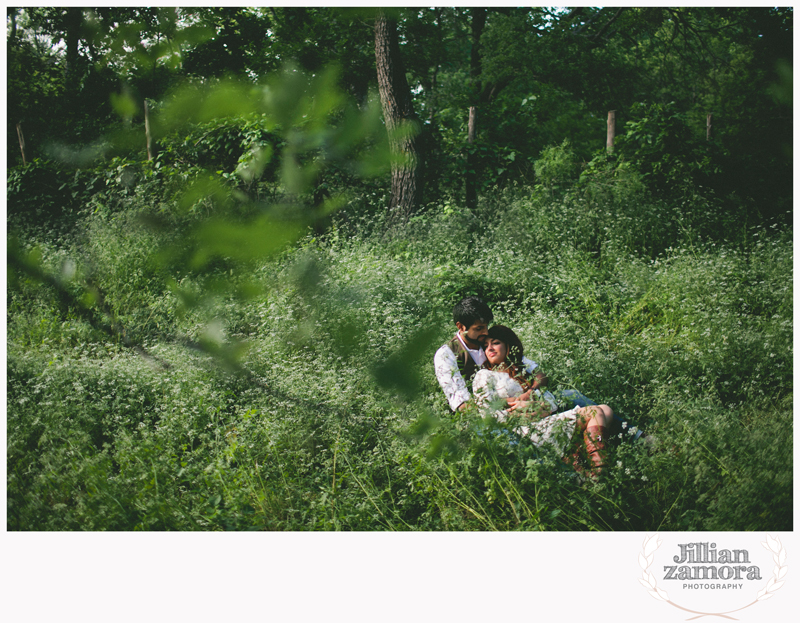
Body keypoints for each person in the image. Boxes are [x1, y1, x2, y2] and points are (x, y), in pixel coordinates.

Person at [473, 325, 615, 477]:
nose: (490, 348)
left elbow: (550, 399)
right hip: (523, 431)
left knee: (606, 410)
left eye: (495, 343)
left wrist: (537, 405)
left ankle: (580, 465)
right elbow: (486, 413)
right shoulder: (484, 376)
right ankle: (600, 472)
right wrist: (520, 412)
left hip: (544, 420)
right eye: (486, 346)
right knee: (594, 412)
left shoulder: (521, 370)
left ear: (508, 345)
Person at [433, 296, 589, 412]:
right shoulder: (446, 355)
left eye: (486, 326)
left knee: (571, 394)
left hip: (526, 398)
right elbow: (462, 405)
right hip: (491, 414)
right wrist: (513, 403)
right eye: (479, 328)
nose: (486, 332)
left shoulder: (488, 340)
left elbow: (537, 373)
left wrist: (531, 394)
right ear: (461, 326)